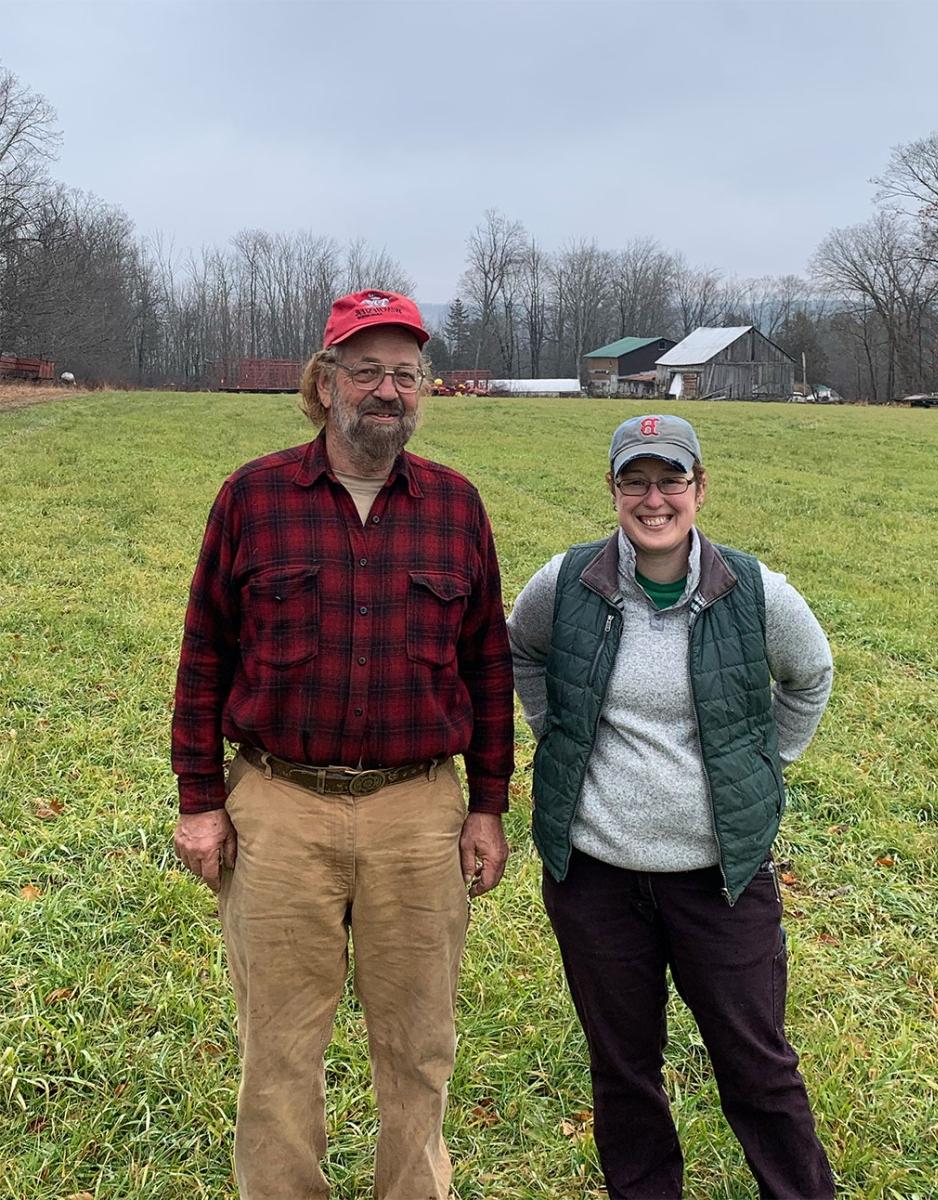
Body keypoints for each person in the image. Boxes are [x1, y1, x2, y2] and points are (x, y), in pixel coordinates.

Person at [171, 288, 514, 1200]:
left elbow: (487, 662)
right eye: (366, 371)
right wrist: (199, 800)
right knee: (278, 1052)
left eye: (406, 374)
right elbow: (205, 651)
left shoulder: (454, 505)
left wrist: (487, 806)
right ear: (324, 385)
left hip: (418, 811)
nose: (388, 390)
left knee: (419, 1046)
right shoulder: (253, 497)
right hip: (279, 808)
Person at [507, 414, 836, 1200]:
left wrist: (764, 762)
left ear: (698, 489)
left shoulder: (756, 592)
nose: (653, 499)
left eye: (670, 480)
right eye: (634, 480)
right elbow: (521, 649)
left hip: (718, 877)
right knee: (622, 1067)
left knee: (756, 1064)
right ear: (612, 490)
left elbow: (809, 676)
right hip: (595, 876)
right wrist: (556, 731)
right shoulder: (567, 582)